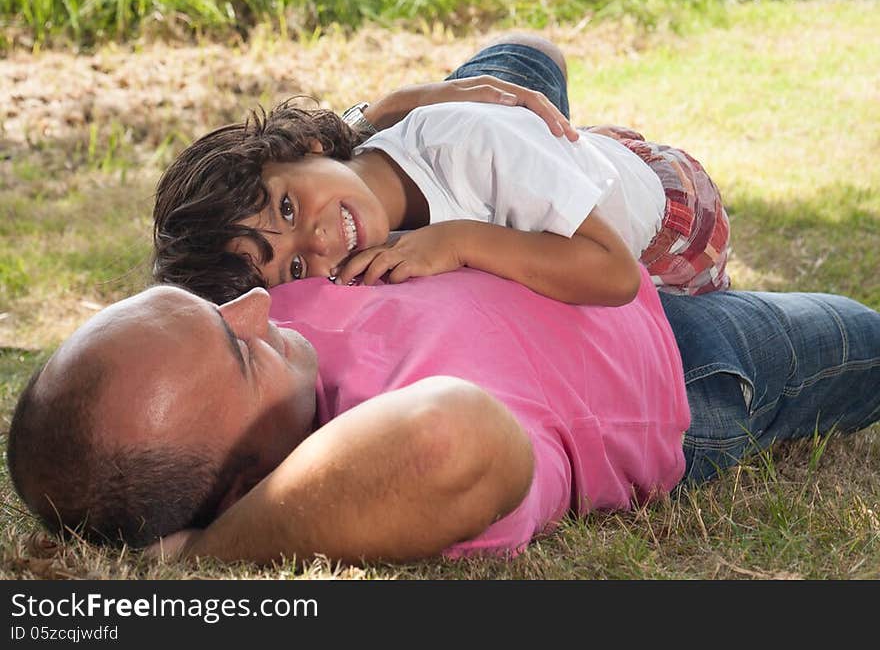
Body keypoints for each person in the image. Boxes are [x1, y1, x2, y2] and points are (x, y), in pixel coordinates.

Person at [7, 36, 880, 566]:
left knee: (519, 62)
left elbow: (290, 191)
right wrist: (210, 548)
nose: (259, 309)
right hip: (678, 357)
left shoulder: (248, 296)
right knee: (863, 337)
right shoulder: (358, 476)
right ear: (244, 479)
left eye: (217, 306)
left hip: (475, 180)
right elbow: (445, 438)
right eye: (237, 345)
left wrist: (395, 112)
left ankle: (474, 124)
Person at [151, 36, 729, 306]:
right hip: (556, 180)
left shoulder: (466, 142)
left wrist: (458, 242)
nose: (321, 240)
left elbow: (617, 277)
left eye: (287, 208)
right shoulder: (360, 226)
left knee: (523, 64)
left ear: (304, 144)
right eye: (296, 264)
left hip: (670, 229)